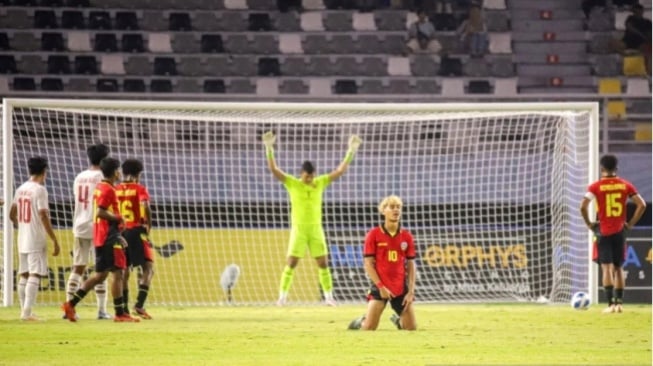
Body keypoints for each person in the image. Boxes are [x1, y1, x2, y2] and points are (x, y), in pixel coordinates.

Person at [262, 131, 362, 306]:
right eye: (307, 176)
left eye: (311, 176)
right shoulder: (293, 183)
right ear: (301, 174)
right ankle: (282, 297)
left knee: (323, 263)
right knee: (291, 263)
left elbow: (339, 171)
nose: (309, 179)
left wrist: (351, 151)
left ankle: (329, 297)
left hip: (316, 229)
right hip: (299, 229)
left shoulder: (320, 182)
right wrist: (269, 148)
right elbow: (274, 170)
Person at [62, 157, 140, 322]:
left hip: (103, 235)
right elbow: (101, 212)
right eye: (118, 170)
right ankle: (120, 313)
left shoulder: (101, 187)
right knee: (118, 273)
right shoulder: (108, 190)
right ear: (114, 171)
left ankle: (71, 304)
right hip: (107, 237)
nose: (120, 173)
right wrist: (119, 219)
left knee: (101, 275)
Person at [580, 154, 646, 314]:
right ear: (616, 169)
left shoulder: (595, 187)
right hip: (619, 231)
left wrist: (589, 224)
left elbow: (583, 206)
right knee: (618, 269)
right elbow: (642, 205)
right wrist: (630, 224)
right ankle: (619, 304)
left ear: (602, 168)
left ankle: (610, 305)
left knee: (607, 269)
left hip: (603, 231)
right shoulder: (625, 185)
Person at [348, 195, 417, 330]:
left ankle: (398, 321)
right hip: (380, 287)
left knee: (411, 328)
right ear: (383, 210)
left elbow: (411, 265)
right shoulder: (373, 235)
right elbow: (368, 264)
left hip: (400, 288)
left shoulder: (407, 237)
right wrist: (380, 287)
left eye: (398, 207)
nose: (396, 210)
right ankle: (359, 322)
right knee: (369, 328)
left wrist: (411, 291)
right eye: (392, 207)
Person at [9, 157, 60, 321]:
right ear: (45, 171)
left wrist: (22, 225)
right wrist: (54, 239)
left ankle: (24, 311)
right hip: (35, 237)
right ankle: (27, 313)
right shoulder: (40, 190)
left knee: (24, 273)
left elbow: (11, 214)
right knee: (35, 274)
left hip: (22, 236)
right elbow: (44, 215)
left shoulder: (21, 188)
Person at [65, 143, 112, 320]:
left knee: (78, 267)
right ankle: (101, 310)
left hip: (79, 224)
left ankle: (68, 307)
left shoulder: (79, 177)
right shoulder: (103, 177)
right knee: (102, 269)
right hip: (97, 225)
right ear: (104, 158)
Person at [116, 158, 154, 320]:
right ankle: (139, 305)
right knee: (148, 268)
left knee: (124, 270)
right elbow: (145, 206)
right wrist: (148, 225)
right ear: (138, 174)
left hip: (121, 232)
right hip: (136, 231)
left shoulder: (115, 189)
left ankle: (123, 308)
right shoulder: (139, 189)